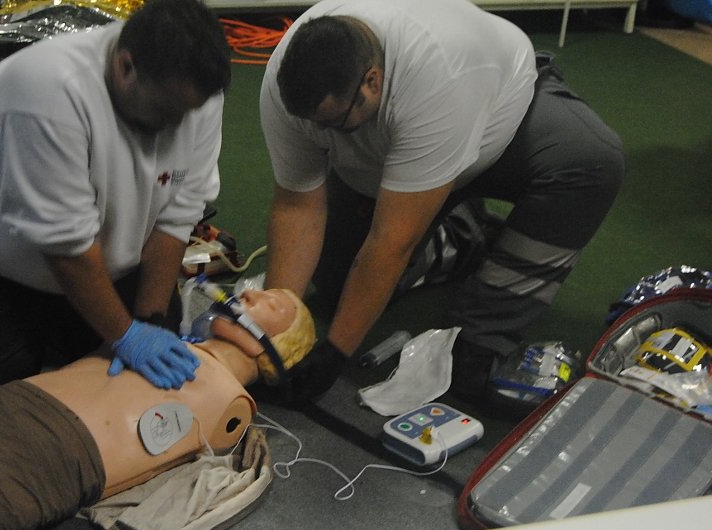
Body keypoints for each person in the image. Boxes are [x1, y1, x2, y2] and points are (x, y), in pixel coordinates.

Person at [259, 0, 625, 400]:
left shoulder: (436, 76)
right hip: (397, 153)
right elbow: (297, 206)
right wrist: (270, 334)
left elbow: (390, 242)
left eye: (331, 123)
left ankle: (484, 331)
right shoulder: (286, 86)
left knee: (591, 161)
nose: (320, 133)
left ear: (372, 81)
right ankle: (462, 236)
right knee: (336, 287)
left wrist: (335, 353)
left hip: (500, 117)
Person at [0, 0, 231, 414]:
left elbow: (178, 215)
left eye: (187, 114)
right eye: (166, 112)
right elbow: (66, 248)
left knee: (134, 390)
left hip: (106, 255)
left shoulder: (195, 94)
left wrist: (151, 322)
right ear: (126, 66)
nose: (178, 125)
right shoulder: (45, 89)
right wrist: (126, 336)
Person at [0, 288, 315, 530]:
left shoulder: (233, 406)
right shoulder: (156, 337)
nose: (250, 295)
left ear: (278, 350)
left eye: (271, 303)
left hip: (42, 464)